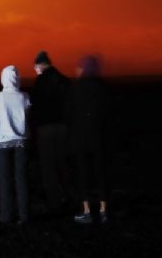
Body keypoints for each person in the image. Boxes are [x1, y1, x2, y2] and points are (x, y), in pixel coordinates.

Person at [66, 54, 110, 224]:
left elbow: (68, 113)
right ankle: (103, 210)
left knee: (83, 173)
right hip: (100, 137)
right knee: (101, 173)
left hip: (80, 138)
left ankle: (86, 211)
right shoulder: (104, 88)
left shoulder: (75, 88)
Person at [29, 50, 72, 214]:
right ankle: (68, 195)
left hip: (45, 128)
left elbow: (35, 107)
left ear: (39, 65)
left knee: (48, 165)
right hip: (62, 127)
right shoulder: (64, 81)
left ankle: (54, 201)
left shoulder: (39, 82)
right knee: (63, 163)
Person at [0, 65, 31, 224]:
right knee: (22, 179)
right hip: (21, 141)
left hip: (2, 141)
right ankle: (25, 216)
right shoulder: (25, 96)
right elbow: (28, 116)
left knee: (5, 179)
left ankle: (7, 216)